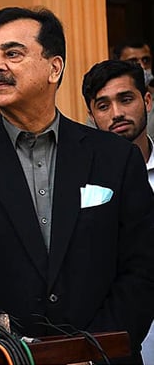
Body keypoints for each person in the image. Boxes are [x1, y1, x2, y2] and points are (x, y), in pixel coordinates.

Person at [0, 6, 154, 362]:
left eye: (12, 53)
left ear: (54, 67)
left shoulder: (116, 158)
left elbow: (141, 269)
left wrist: (89, 353)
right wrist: (13, 352)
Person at [81, 59, 154, 362]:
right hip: (116, 340)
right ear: (91, 114)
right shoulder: (82, 183)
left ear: (147, 99)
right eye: (103, 105)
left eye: (126, 99)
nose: (117, 114)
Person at [113, 40, 154, 135]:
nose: (142, 66)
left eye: (146, 60)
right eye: (133, 61)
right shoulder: (104, 106)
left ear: (147, 101)